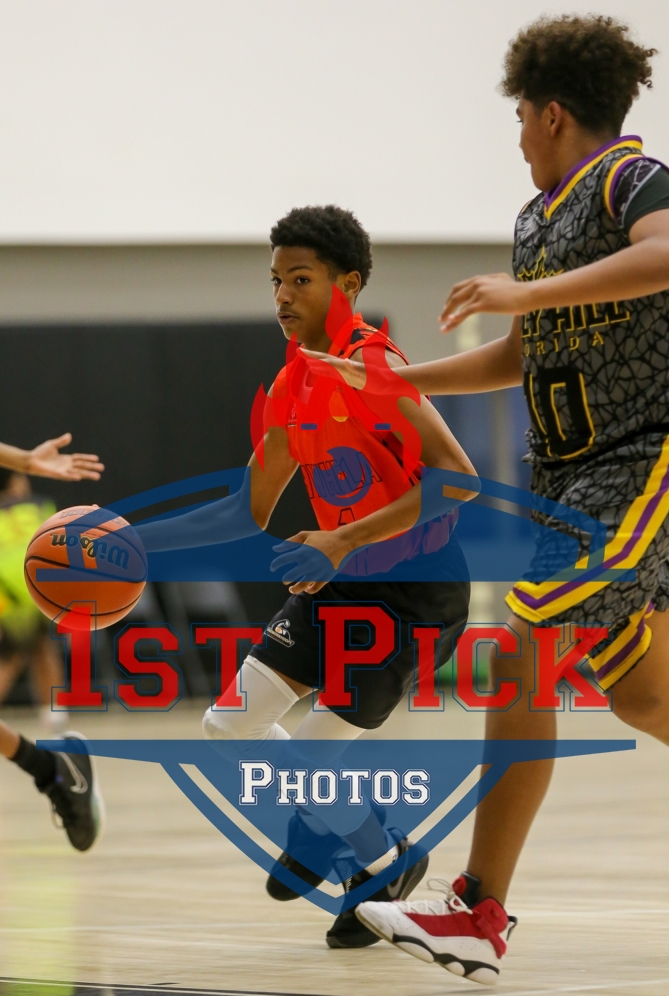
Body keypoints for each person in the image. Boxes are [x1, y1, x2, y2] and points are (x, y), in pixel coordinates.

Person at [304, 15, 669, 983]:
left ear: (551, 113)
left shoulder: (631, 180)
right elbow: (522, 354)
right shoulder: (537, 222)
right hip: (572, 479)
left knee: (522, 640)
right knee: (647, 694)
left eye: (521, 120)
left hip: (643, 457)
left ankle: (476, 908)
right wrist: (393, 382)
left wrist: (525, 295)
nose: (518, 139)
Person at [139, 204, 478, 948]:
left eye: (300, 279)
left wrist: (342, 539)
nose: (283, 296)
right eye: (275, 281)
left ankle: (353, 848)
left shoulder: (374, 366)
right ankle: (369, 845)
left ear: (348, 285)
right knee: (226, 726)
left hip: (414, 597)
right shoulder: (292, 384)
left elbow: (458, 478)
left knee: (308, 761)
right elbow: (246, 509)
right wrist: (133, 541)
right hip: (342, 581)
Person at [0, 415, 106, 851]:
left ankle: (38, 749)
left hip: (7, 595)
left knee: (12, 655)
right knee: (37, 651)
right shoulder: (36, 506)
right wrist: (25, 460)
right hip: (40, 587)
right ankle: (53, 738)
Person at [0, 464, 68, 729]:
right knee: (42, 646)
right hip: (42, 585)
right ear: (12, 482)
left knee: (7, 653)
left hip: (3, 595)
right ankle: (54, 715)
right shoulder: (42, 505)